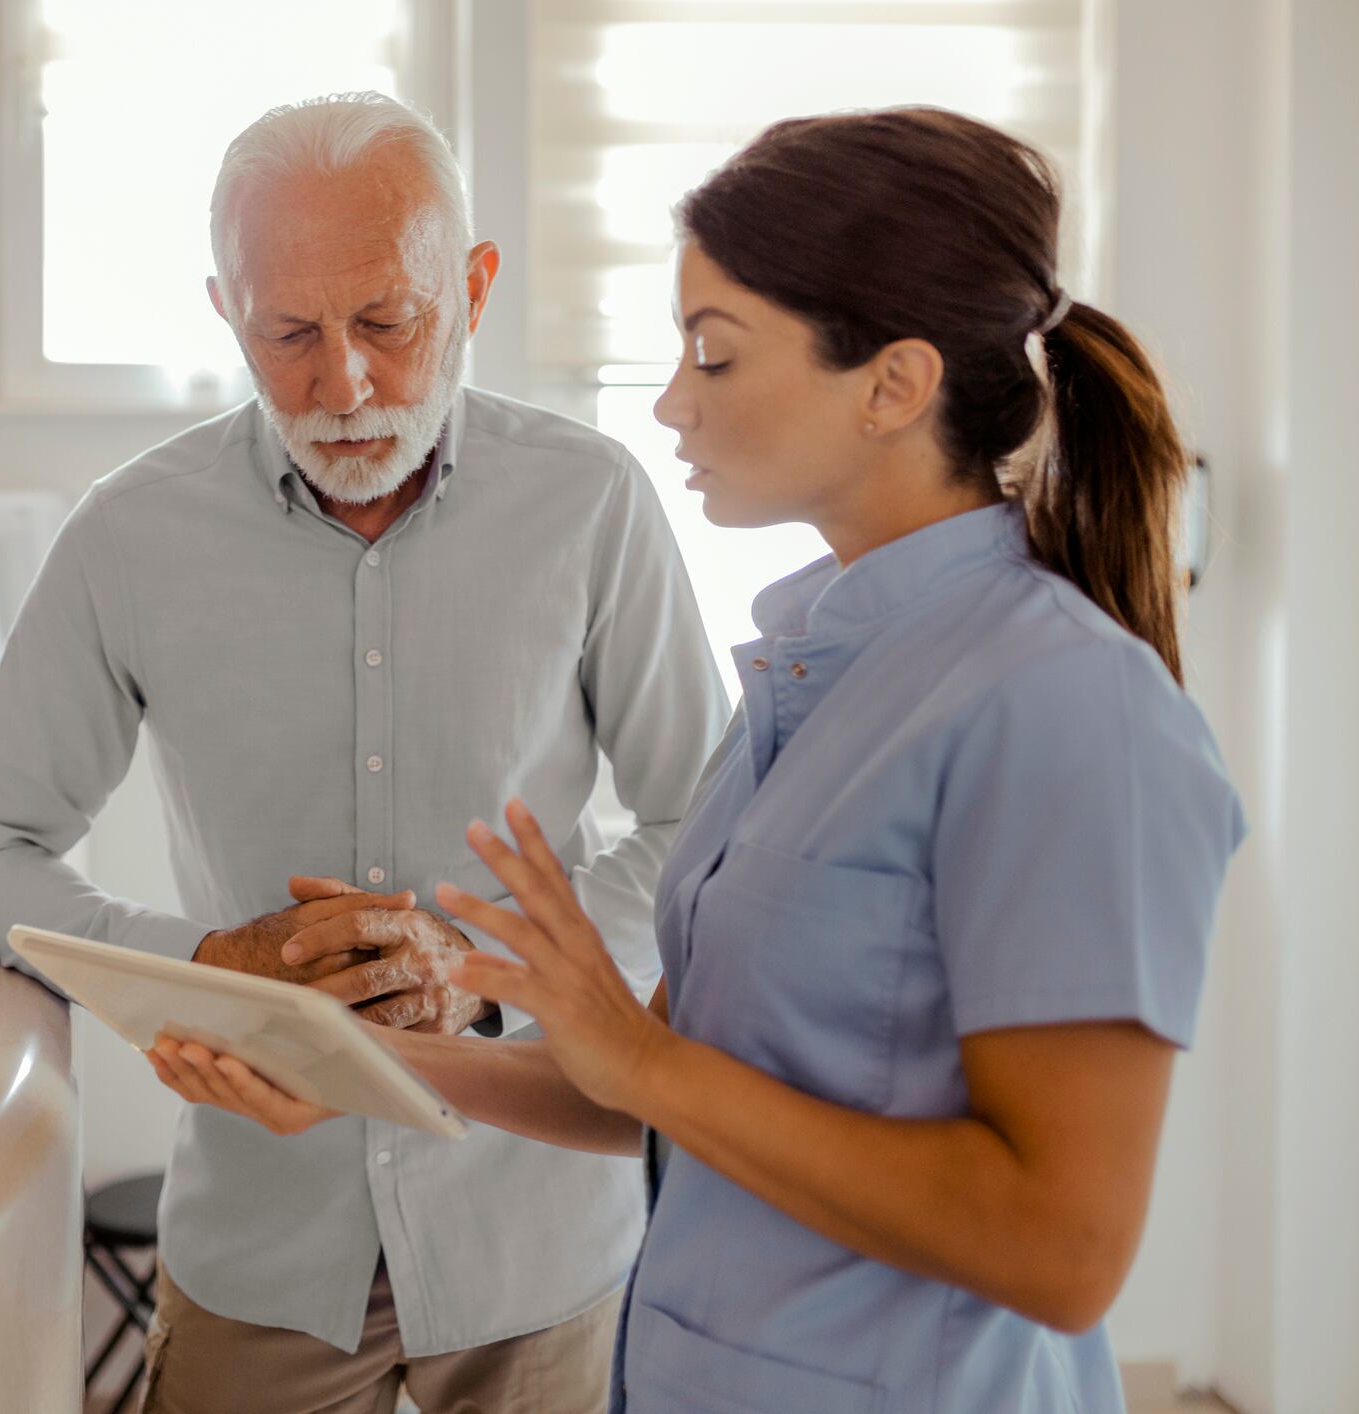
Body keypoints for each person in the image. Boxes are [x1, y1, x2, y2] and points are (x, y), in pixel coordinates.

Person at [149, 106, 1245, 1413]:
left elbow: (1063, 1252)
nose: (672, 400)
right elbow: (652, 1085)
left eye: (715, 355)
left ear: (894, 385)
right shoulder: (811, 677)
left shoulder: (1067, 708)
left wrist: (641, 1059)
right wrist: (348, 1064)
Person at [0, 94, 728, 1410]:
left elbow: (704, 824)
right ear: (225, 310)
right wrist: (200, 968)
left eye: (387, 323)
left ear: (471, 288)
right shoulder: (130, 535)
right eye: (287, 331)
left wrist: (478, 973)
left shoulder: (592, 502)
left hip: (541, 1233)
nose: (342, 383)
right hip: (264, 1246)